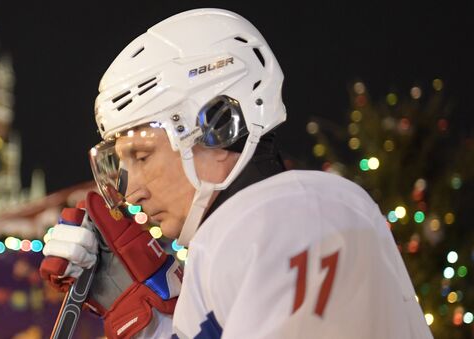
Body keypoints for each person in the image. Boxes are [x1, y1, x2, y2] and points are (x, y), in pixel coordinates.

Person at [40, 8, 433, 338]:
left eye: (141, 155)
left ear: (219, 124)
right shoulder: (241, 232)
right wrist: (152, 323)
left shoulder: (293, 212)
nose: (132, 191)